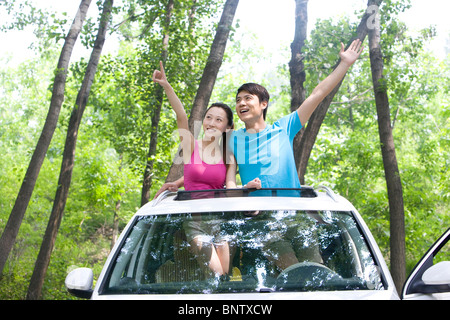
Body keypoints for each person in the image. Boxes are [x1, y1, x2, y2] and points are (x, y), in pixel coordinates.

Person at [152, 62, 260, 276]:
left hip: (219, 221)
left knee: (226, 274)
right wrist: (166, 86)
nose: (211, 123)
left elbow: (228, 187)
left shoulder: (227, 155)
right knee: (217, 274)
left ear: (228, 128)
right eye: (208, 118)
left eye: (218, 120)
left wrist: (245, 187)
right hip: (195, 222)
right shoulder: (191, 145)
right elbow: (181, 116)